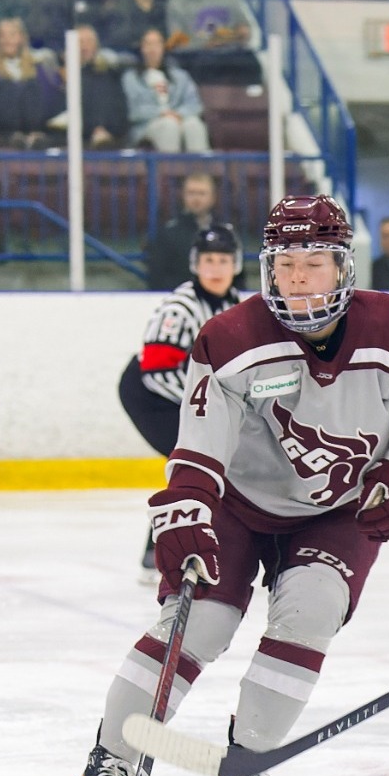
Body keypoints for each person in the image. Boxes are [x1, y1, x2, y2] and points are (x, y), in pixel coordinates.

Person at [66, 195, 389, 776]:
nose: (299, 278)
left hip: (338, 510)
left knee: (311, 613)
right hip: (239, 504)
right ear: (266, 269)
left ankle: (244, 769)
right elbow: (198, 446)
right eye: (286, 264)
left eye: (314, 263)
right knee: (201, 622)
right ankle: (109, 762)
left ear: (343, 266)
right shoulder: (230, 339)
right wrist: (187, 514)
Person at [119, 224, 244, 577]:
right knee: (196, 460)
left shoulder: (235, 305)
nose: (216, 268)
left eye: (223, 260)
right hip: (150, 396)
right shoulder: (180, 308)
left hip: (187, 396)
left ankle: (175, 542)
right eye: (208, 260)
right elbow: (156, 371)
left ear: (235, 264)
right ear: (195, 264)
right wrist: (204, 406)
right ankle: (159, 549)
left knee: (210, 459)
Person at [0, 17, 65, 148]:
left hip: (32, 125)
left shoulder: (36, 64)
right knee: (7, 86)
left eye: (12, 35)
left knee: (31, 85)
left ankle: (33, 135)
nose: (7, 40)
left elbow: (48, 98)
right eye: (2, 36)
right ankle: (13, 135)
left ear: (21, 38)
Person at [125, 27, 210, 153]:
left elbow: (195, 105)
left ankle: (200, 166)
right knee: (169, 125)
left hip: (178, 118)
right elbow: (133, 111)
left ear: (163, 47)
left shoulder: (180, 76)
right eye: (148, 44)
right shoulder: (130, 78)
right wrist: (162, 113)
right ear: (142, 48)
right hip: (147, 126)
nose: (153, 49)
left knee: (194, 125)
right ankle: (170, 166)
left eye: (157, 44)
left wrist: (178, 114)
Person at [146, 172, 229, 290]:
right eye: (191, 193)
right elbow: (157, 276)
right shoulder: (168, 233)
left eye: (202, 193)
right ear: (183, 196)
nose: (196, 198)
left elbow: (237, 276)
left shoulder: (226, 232)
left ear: (212, 198)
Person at [55, 25, 130, 148]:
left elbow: (119, 110)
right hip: (70, 138)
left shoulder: (108, 76)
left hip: (107, 137)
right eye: (80, 42)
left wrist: (105, 129)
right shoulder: (59, 77)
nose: (85, 47)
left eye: (89, 41)